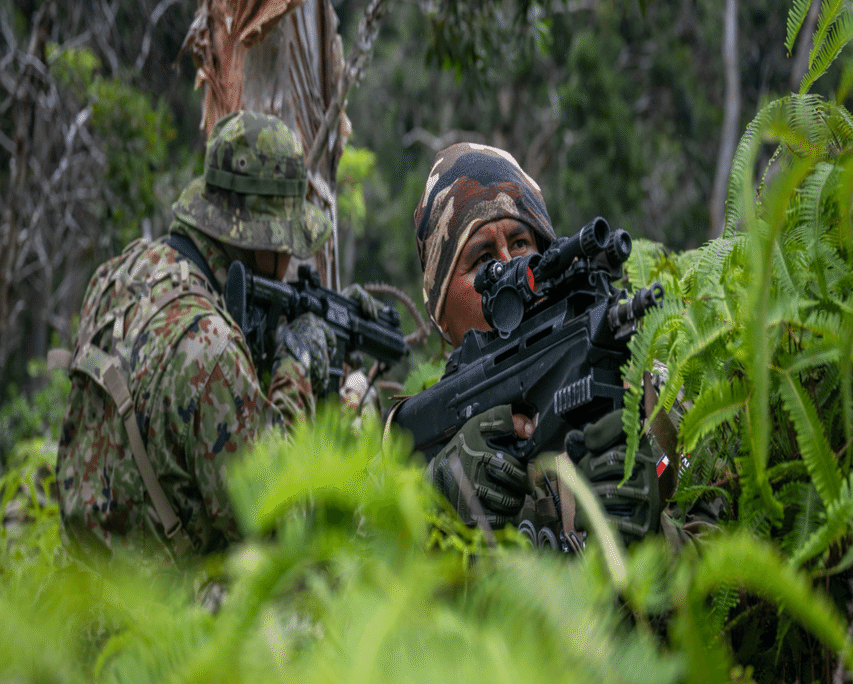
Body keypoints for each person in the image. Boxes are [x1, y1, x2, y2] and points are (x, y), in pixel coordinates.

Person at [52, 110, 338, 564]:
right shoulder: (212, 348)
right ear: (263, 241)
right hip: (161, 618)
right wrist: (295, 371)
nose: (288, 260)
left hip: (80, 589)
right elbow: (281, 521)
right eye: (286, 245)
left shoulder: (118, 275)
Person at [402, 141, 666, 549]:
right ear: (442, 316)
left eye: (522, 244)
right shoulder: (426, 453)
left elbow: (733, 556)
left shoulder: (642, 388)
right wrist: (435, 507)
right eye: (482, 260)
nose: (509, 266)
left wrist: (654, 539)